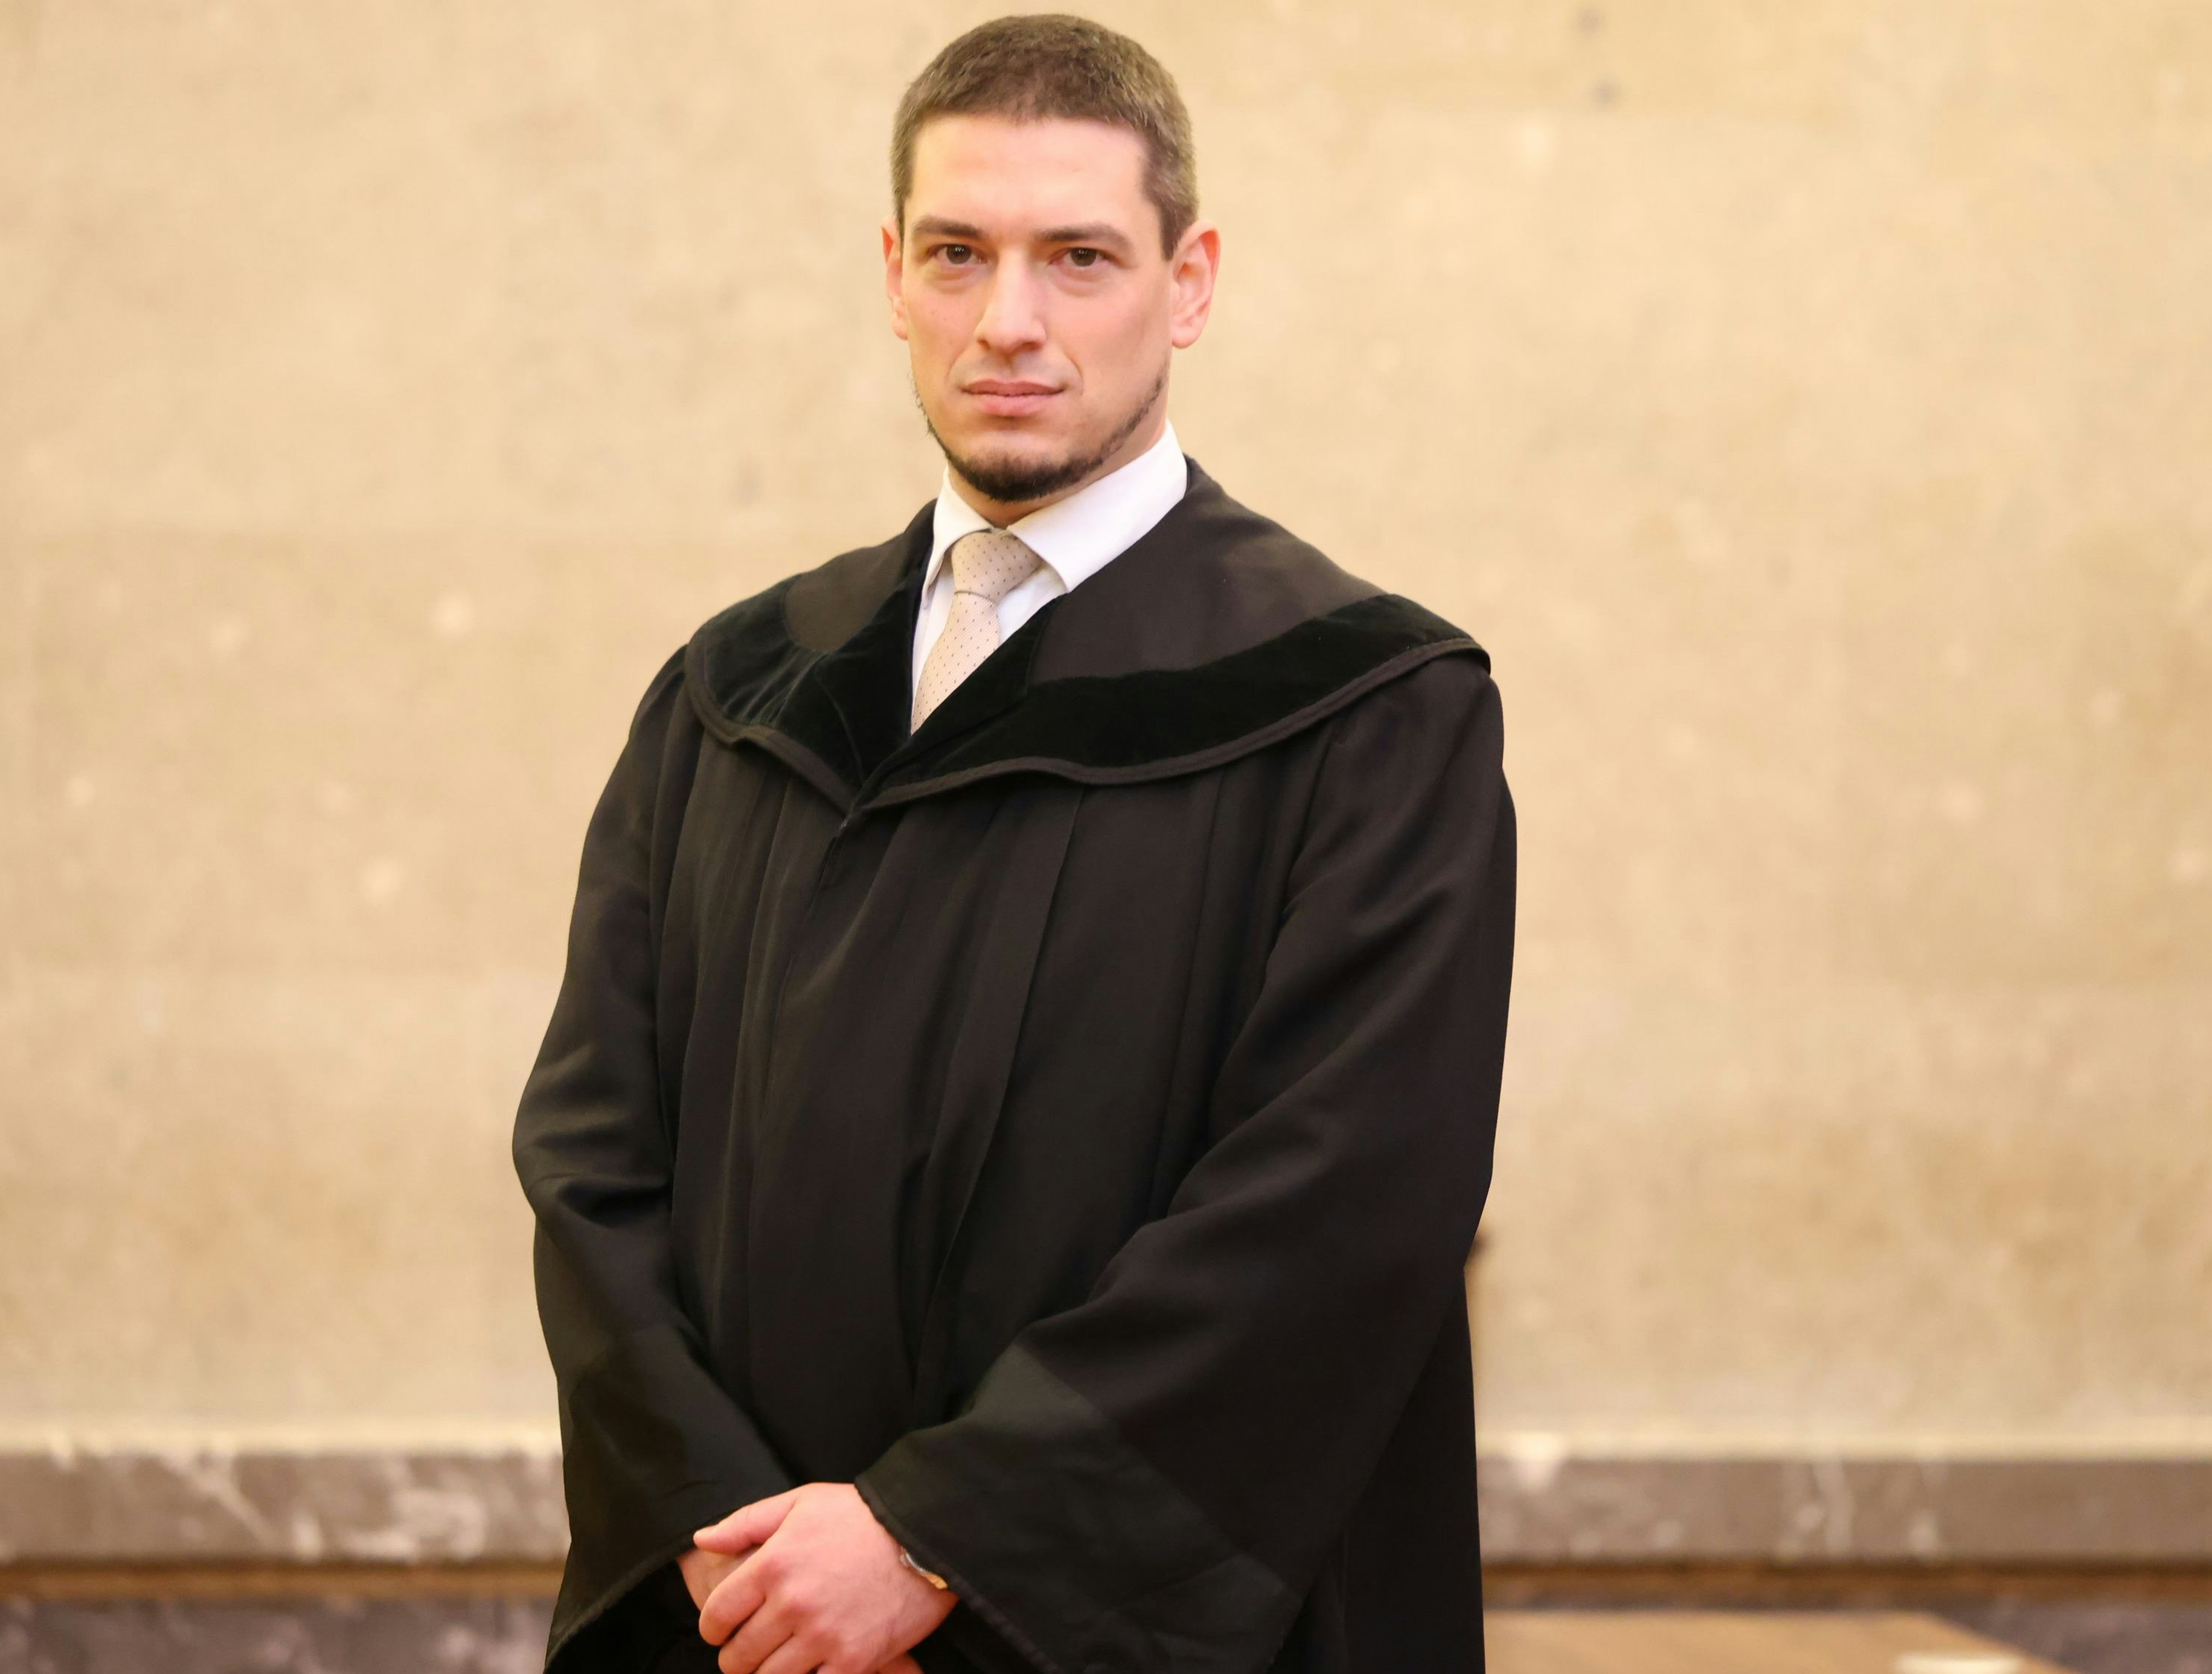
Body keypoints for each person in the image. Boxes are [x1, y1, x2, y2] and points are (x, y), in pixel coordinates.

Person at [511, 14, 1516, 1674]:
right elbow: (590, 1156)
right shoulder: (735, 694)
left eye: (1079, 258)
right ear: (892, 273)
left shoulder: (1365, 713)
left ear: (1188, 284)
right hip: (741, 1627)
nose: (1009, 322)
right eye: (958, 253)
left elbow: (1339, 1208)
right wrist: (736, 1540)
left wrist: (935, 1540)